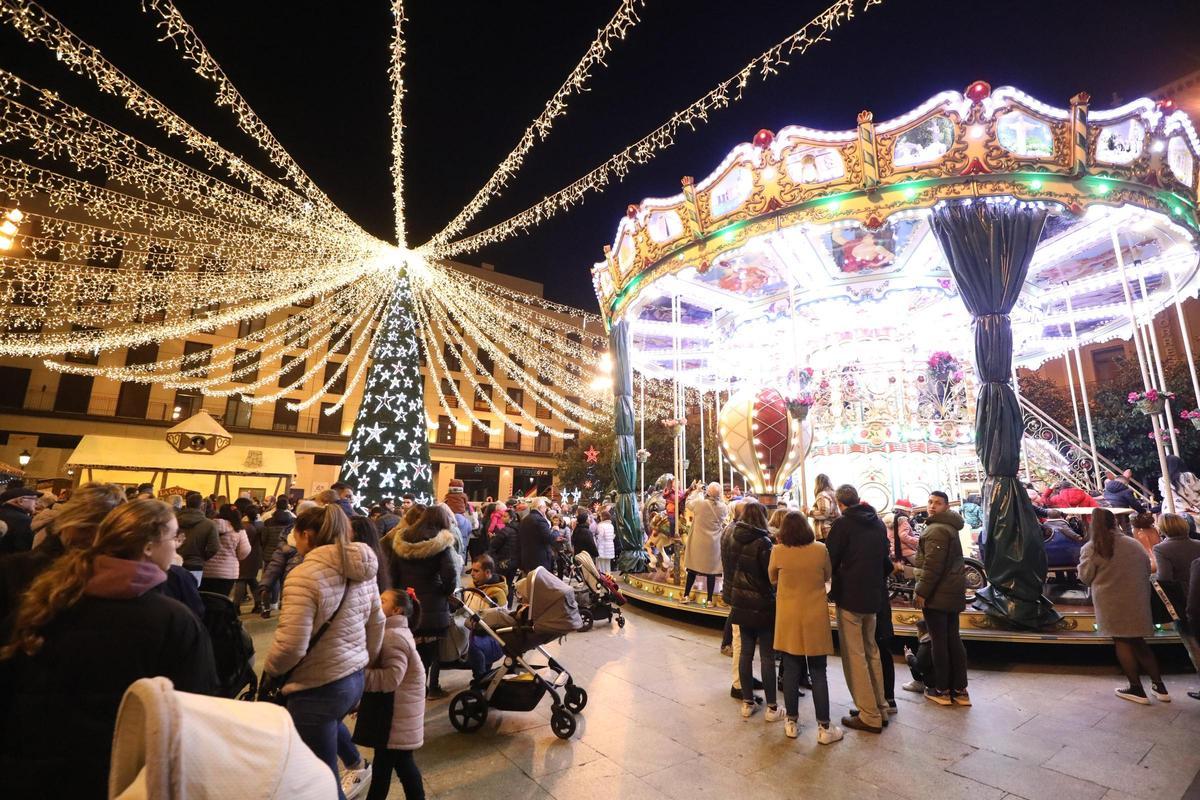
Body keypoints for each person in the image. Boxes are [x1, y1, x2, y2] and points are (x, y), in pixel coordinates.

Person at [0, 499, 217, 798]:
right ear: (149, 547)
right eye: (174, 537)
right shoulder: (173, 620)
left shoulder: (46, 599)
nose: (177, 546)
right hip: (119, 778)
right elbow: (195, 707)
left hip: (29, 769)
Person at [263, 504, 385, 800]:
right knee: (329, 724)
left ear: (307, 535)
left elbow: (291, 645)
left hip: (316, 683)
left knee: (320, 779)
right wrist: (364, 661)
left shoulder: (304, 575)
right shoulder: (363, 567)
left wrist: (271, 669)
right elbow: (377, 621)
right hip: (352, 676)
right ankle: (357, 763)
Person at [1079, 507, 1169, 704]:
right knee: (1139, 641)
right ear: (1115, 522)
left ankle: (1136, 688)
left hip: (1110, 601)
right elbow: (1147, 568)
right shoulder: (1133, 544)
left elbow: (1085, 578)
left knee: (1121, 642)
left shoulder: (1092, 547)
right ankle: (1160, 686)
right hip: (1136, 598)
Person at [0, 482, 125, 622]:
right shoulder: (15, 568)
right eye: (84, 528)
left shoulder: (114, 580)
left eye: (100, 532)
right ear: (66, 522)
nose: (91, 538)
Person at [769, 511, 843, 744]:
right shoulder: (820, 550)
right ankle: (824, 727)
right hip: (814, 615)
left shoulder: (778, 551)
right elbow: (828, 575)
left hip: (788, 616)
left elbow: (772, 578)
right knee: (818, 671)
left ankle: (791, 721)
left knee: (790, 669)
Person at [826, 484, 891, 733]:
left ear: (840, 503)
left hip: (851, 596)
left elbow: (830, 559)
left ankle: (869, 714)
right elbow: (885, 559)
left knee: (855, 656)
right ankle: (879, 706)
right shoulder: (877, 522)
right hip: (873, 595)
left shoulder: (843, 525)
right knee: (871, 650)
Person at [353, 588, 427, 800]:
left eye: (383, 601)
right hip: (397, 712)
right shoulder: (394, 632)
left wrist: (358, 677)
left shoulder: (393, 637)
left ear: (396, 610)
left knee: (386, 767)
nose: (377, 602)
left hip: (395, 716)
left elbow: (391, 678)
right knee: (399, 764)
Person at [390, 503, 462, 699]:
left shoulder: (402, 539)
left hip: (407, 603)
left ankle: (406, 689)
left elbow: (393, 574)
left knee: (409, 648)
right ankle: (428, 688)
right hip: (432, 606)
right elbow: (449, 575)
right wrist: (445, 592)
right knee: (432, 650)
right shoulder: (440, 542)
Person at [722, 500, 783, 723]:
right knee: (766, 656)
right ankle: (772, 707)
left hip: (739, 602)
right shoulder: (763, 542)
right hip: (761, 604)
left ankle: (747, 702)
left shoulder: (732, 536)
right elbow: (770, 575)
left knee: (746, 653)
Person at [914, 491, 970, 706]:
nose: (932, 506)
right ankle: (960, 690)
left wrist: (921, 592)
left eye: (937, 503)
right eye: (930, 502)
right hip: (951, 592)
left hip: (938, 594)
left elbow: (932, 567)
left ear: (946, 507)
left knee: (939, 642)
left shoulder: (936, 529)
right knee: (953, 639)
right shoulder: (949, 527)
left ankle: (942, 689)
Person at [683, 482, 727, 605]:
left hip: (698, 540)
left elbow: (688, 503)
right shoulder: (723, 507)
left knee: (692, 569)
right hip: (713, 543)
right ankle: (709, 600)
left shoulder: (700, 503)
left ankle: (686, 595)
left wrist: (697, 491)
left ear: (708, 492)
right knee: (711, 571)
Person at [464, 555, 506, 681]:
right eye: (471, 570)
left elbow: (497, 622)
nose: (472, 574)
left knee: (475, 648)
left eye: (476, 571)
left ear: (488, 572)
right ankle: (482, 677)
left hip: (490, 635)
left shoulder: (496, 593)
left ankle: (481, 680)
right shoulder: (472, 585)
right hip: (473, 629)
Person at [200, 503, 251, 597]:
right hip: (228, 572)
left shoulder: (208, 526)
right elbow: (244, 551)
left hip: (206, 570)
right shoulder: (238, 530)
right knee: (221, 600)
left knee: (205, 599)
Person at [177, 490, 219, 585]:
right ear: (202, 506)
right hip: (195, 564)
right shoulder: (209, 524)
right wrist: (201, 557)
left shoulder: (174, 520)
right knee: (191, 594)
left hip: (174, 562)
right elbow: (214, 548)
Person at [1154, 513, 1200, 598]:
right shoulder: (1198, 544)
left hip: (1184, 595)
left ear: (1163, 528)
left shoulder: (1161, 549)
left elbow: (1164, 578)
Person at [233, 497, 266, 613]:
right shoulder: (261, 526)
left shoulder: (245, 527)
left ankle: (236, 606)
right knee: (252, 580)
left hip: (245, 556)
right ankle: (258, 604)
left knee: (241, 580)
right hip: (256, 556)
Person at [517, 498, 557, 574]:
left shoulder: (524, 519)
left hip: (527, 557)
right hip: (540, 559)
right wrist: (555, 531)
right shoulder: (540, 520)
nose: (546, 510)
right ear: (540, 507)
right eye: (545, 507)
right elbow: (549, 538)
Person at [0, 485, 38, 554]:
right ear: (20, 501)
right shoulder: (23, 520)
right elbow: (23, 551)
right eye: (34, 499)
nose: (36, 503)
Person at [902, 619, 934, 693]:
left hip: (933, 681)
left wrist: (909, 657)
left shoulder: (926, 645)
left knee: (910, 659)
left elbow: (921, 667)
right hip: (947, 680)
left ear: (921, 632)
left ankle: (919, 683)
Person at [806, 473, 838, 540]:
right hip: (835, 529)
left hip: (825, 532)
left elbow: (824, 513)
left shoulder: (822, 495)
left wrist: (808, 512)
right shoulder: (834, 494)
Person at [595, 509, 616, 574]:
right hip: (610, 547)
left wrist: (596, 543)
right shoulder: (611, 525)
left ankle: (603, 578)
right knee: (607, 564)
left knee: (601, 565)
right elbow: (612, 536)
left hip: (602, 547)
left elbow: (600, 537)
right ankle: (609, 577)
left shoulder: (601, 525)